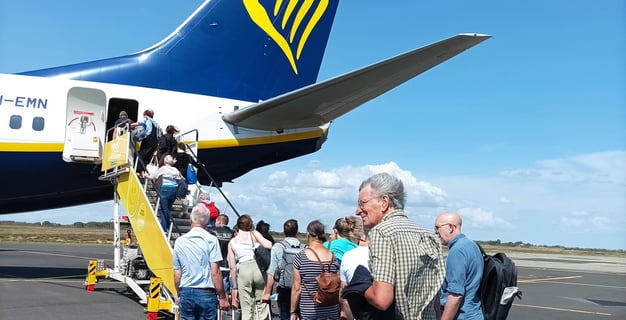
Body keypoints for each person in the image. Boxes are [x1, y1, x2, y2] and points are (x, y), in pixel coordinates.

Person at [356, 172, 445, 320]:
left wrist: (360, 286)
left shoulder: (382, 232)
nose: (358, 211)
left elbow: (381, 299)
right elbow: (434, 299)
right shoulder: (429, 235)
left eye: (362, 203)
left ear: (384, 202)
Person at [173, 204, 230, 320]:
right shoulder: (211, 240)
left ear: (190, 220)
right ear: (208, 221)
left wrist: (179, 293)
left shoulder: (180, 241)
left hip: (187, 291)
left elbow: (177, 273)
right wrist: (222, 297)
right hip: (206, 292)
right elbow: (215, 272)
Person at [434, 212, 484, 320]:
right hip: (475, 313)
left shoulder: (457, 251)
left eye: (437, 228)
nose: (436, 232)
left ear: (451, 227)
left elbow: (455, 295)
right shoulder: (472, 245)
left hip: (462, 316)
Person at [290, 220, 340, 320]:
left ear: (308, 234)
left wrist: (292, 311)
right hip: (331, 309)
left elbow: (297, 288)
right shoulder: (332, 257)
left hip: (310, 309)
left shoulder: (301, 256)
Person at [228, 215, 274, 320]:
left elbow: (232, 267)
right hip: (256, 267)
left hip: (243, 269)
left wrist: (235, 286)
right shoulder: (253, 234)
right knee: (261, 302)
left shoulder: (232, 242)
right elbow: (269, 245)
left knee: (246, 306)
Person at [262, 219, 303, 320]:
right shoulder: (305, 248)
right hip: (300, 288)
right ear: (297, 231)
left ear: (284, 231)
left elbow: (272, 271)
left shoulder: (278, 247)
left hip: (284, 287)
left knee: (284, 315)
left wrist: (267, 293)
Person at [148, 154, 183, 232]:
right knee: (168, 209)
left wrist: (146, 176)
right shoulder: (175, 170)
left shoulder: (163, 168)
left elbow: (153, 177)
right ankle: (167, 226)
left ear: (165, 161)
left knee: (164, 210)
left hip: (165, 190)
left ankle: (165, 229)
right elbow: (181, 178)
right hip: (174, 191)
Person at [133, 109, 159, 175]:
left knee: (139, 155)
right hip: (155, 142)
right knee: (147, 157)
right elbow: (159, 135)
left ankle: (141, 172)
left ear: (145, 115)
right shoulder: (155, 123)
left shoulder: (147, 119)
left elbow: (138, 123)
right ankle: (146, 172)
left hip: (148, 140)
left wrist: (130, 125)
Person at [213, 214, 234, 293]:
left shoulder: (212, 231)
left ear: (219, 221)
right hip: (227, 264)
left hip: (215, 263)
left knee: (214, 285)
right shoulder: (232, 233)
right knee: (225, 285)